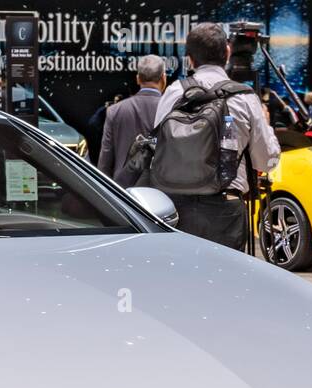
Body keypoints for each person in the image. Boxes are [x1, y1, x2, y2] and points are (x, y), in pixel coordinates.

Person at [152, 22, 280, 251]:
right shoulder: (245, 98)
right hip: (225, 210)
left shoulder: (174, 93)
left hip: (175, 207)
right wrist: (266, 125)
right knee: (227, 283)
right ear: (227, 52)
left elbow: (156, 149)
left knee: (181, 282)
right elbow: (266, 161)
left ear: (189, 58)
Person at [97, 54, 166, 187]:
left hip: (125, 192)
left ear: (138, 79)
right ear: (163, 78)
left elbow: (105, 163)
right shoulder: (172, 110)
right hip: (163, 191)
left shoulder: (115, 111)